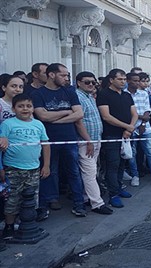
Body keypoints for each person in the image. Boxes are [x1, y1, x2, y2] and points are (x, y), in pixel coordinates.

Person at [31, 63, 86, 219]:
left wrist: (55, 120)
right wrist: (67, 111)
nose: (66, 78)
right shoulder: (38, 94)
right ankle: (48, 202)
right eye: (63, 75)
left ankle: (79, 204)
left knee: (74, 172)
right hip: (48, 140)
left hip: (69, 138)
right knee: (49, 171)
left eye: (67, 75)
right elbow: (43, 116)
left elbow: (79, 114)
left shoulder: (70, 92)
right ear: (51, 75)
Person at [0, 94, 50, 239]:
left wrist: (45, 165)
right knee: (12, 199)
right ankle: (9, 227)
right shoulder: (7, 124)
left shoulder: (38, 124)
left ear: (33, 108)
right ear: (13, 108)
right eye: (21, 106)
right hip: (13, 168)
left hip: (33, 168)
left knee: (31, 198)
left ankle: (28, 224)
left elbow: (46, 145)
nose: (25, 109)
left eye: (28, 106)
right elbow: (2, 142)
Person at [96, 69, 138, 208]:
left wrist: (129, 128)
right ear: (111, 80)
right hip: (111, 135)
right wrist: (126, 126)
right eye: (120, 79)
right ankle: (112, 194)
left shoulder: (126, 95)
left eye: (124, 79)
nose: (123, 82)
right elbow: (106, 116)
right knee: (112, 165)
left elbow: (135, 113)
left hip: (126, 135)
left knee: (122, 163)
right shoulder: (104, 95)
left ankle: (119, 188)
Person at [74, 71, 113, 215]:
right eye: (87, 82)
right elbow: (78, 122)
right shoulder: (78, 97)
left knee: (91, 171)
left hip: (95, 139)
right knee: (89, 172)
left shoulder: (89, 96)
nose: (91, 84)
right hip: (86, 141)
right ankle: (97, 203)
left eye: (93, 82)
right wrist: (88, 141)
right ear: (78, 83)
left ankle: (86, 197)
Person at [124, 72, 151, 188]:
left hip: (146, 128)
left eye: (138, 80)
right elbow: (127, 113)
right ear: (128, 81)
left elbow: (147, 111)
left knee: (150, 152)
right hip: (131, 127)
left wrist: (143, 122)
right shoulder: (124, 95)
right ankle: (135, 175)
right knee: (132, 154)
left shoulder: (143, 94)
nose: (137, 83)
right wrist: (139, 117)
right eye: (134, 80)